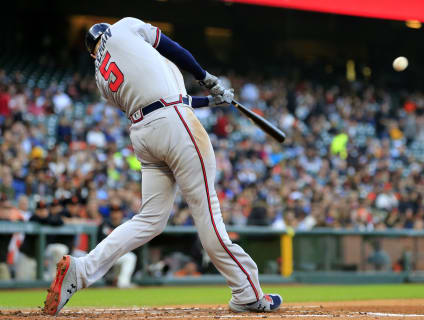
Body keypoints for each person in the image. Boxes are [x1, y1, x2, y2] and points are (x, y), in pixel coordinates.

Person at [44, 18, 282, 315]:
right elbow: (172, 49)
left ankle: (81, 270)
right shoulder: (125, 26)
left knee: (149, 220)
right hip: (174, 125)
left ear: (94, 52)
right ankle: (247, 292)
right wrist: (206, 76)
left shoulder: (101, 78)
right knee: (207, 210)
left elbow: (162, 98)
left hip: (145, 134)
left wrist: (210, 101)